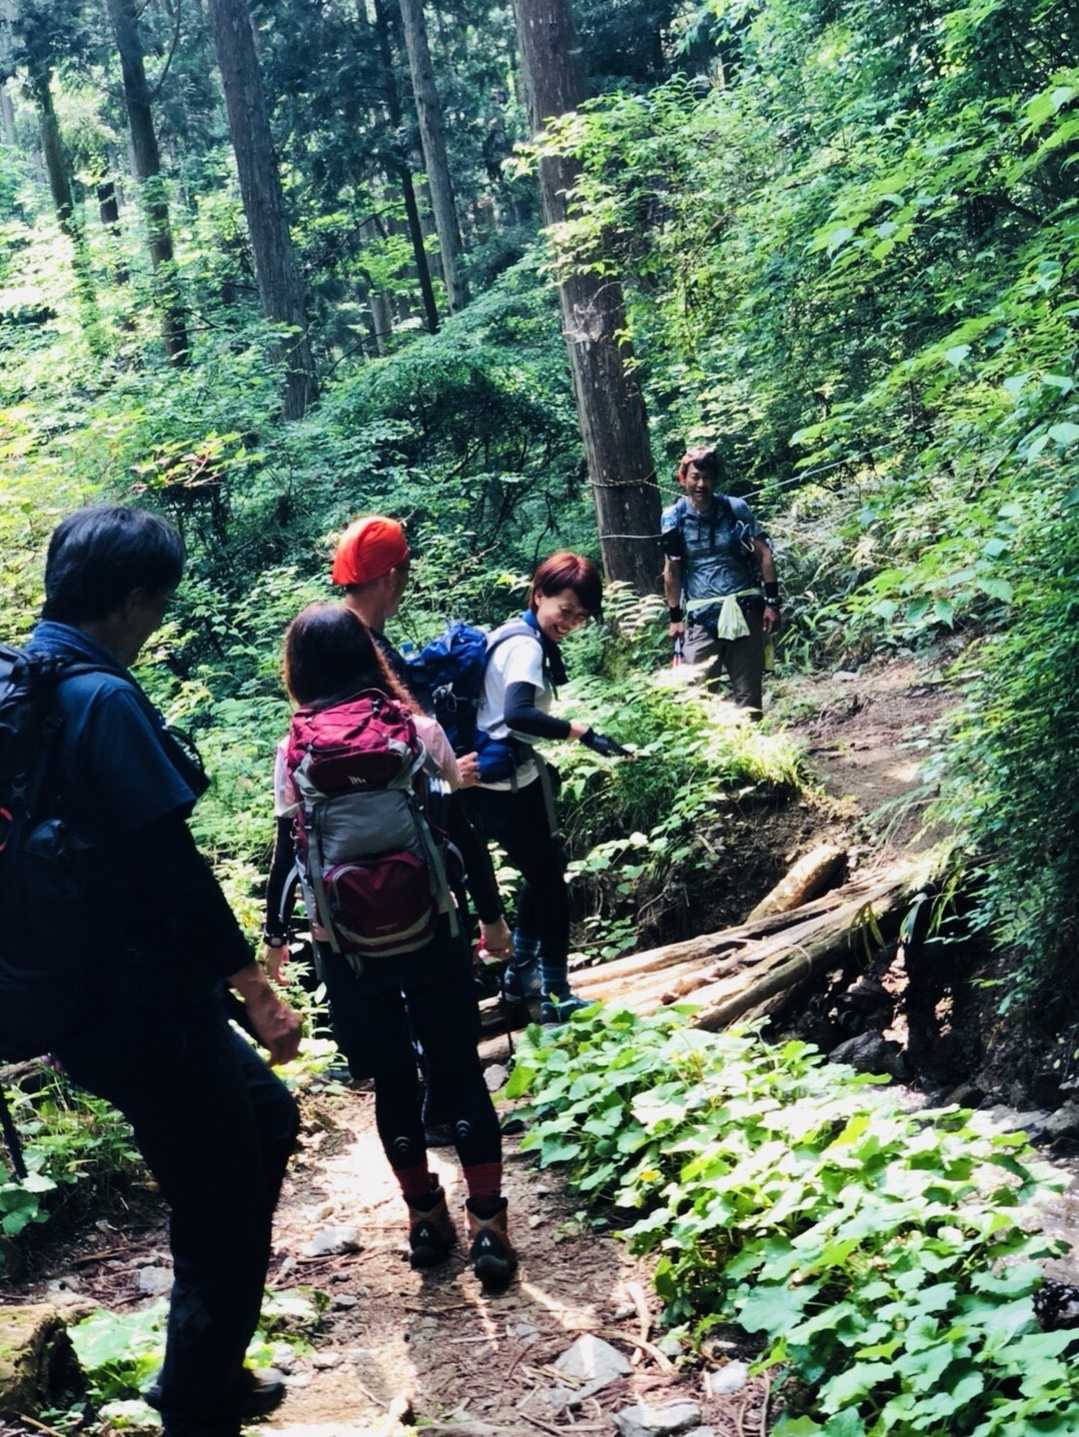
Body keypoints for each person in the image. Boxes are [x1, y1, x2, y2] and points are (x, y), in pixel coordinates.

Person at [1, 506, 302, 1437]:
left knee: (262, 1117)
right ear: (133, 599)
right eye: (160, 602)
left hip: (71, 996)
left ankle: (202, 1371)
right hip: (138, 1006)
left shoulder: (20, 681)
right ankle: (198, 1404)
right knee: (222, 1189)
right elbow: (171, 867)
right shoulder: (101, 698)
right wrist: (255, 988)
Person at [262, 604, 517, 1288]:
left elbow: (287, 854)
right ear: (367, 657)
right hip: (433, 928)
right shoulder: (416, 730)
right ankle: (488, 1226)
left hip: (344, 944)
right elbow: (459, 834)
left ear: (298, 669)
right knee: (459, 1071)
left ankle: (425, 1218)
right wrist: (492, 919)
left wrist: (274, 940)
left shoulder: (293, 751)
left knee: (393, 1080)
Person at [330, 515, 511, 961]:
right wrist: (446, 773)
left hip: (344, 870)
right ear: (392, 576)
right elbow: (430, 784)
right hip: (408, 856)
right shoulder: (375, 657)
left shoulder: (324, 643)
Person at [468, 551, 628, 1024]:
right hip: (506, 785)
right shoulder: (527, 648)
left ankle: (522, 976)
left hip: (497, 779)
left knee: (542, 876)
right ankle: (555, 997)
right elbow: (518, 714)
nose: (571, 622)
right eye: (565, 610)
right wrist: (581, 732)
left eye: (580, 616)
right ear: (539, 595)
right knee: (552, 887)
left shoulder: (511, 633)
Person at [661, 447, 781, 716]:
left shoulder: (735, 509)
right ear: (683, 478)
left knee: (749, 698)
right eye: (695, 477)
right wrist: (675, 617)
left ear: (715, 479)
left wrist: (772, 603)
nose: (701, 484)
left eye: (707, 477)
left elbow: (764, 554)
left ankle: (751, 742)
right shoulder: (673, 517)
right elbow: (672, 569)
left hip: (745, 608)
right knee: (697, 698)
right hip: (701, 615)